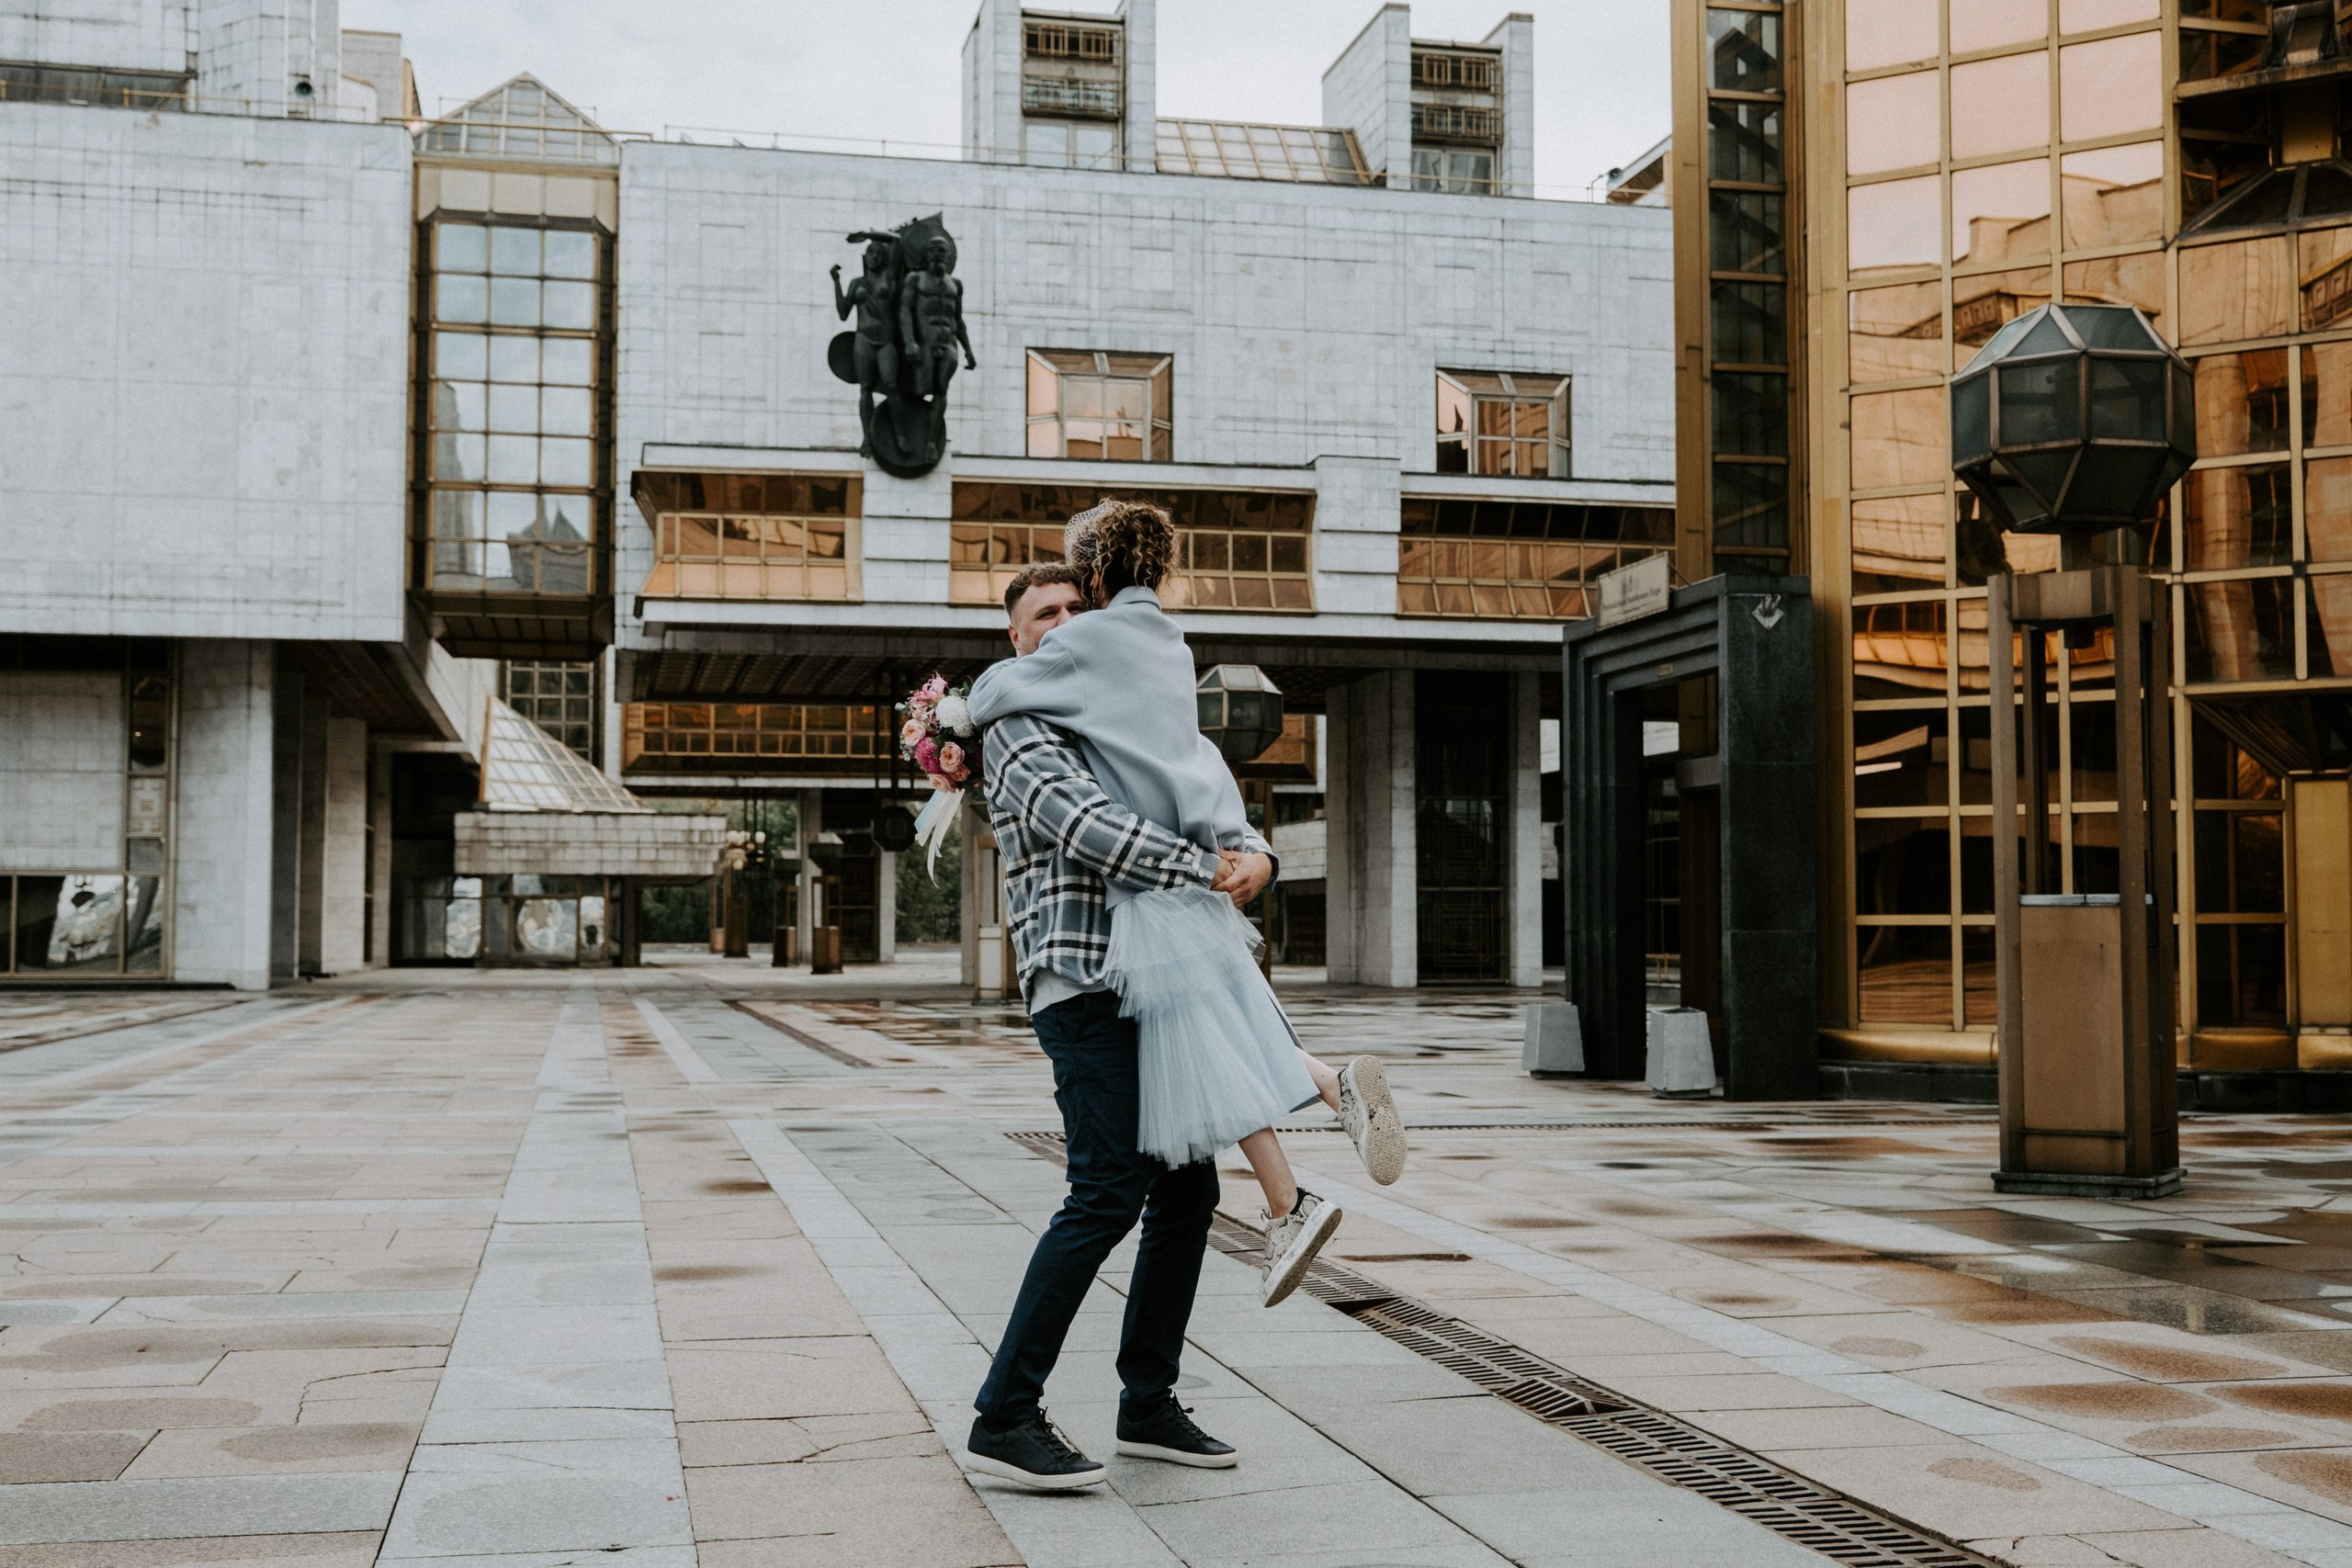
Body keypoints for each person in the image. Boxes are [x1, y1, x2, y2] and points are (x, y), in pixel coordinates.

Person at [963, 560, 1403, 1494]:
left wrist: (1259, 859)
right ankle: (1005, 1412)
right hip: (1082, 981)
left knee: (1186, 1193)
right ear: (1015, 636)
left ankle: (1147, 1404)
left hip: (1155, 975)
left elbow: (1199, 791)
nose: (1064, 624)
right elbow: (1090, 827)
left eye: (1078, 609)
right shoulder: (1015, 725)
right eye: (1044, 613)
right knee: (1106, 1190)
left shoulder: (1116, 713)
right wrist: (1213, 870)